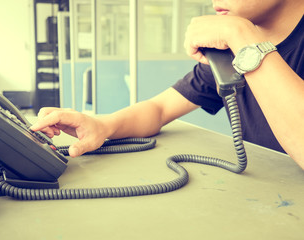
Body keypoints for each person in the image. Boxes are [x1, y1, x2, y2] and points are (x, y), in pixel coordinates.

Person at [31, 0, 304, 169]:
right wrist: (103, 125)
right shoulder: (231, 51)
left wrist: (240, 34)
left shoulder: (239, 38)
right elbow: (160, 108)